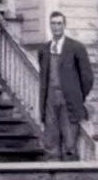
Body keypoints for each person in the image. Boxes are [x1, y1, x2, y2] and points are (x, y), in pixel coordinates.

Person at [38, 9, 95, 160]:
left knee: (70, 145)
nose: (56, 27)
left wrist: (77, 96)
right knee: (50, 143)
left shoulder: (76, 48)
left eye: (59, 23)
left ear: (64, 26)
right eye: (53, 24)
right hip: (49, 100)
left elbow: (87, 78)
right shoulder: (44, 50)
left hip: (69, 101)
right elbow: (43, 76)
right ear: (49, 26)